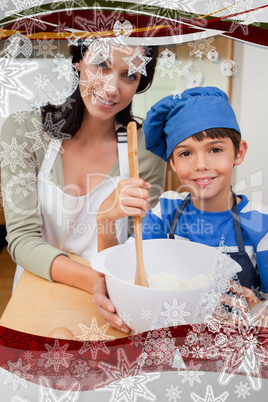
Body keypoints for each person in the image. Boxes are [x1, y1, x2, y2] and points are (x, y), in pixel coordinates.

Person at [0, 39, 166, 302]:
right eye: (101, 65)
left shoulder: (147, 149)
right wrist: (94, 283)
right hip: (37, 293)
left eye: (129, 75)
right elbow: (21, 239)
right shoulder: (24, 132)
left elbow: (140, 246)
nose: (112, 88)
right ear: (78, 60)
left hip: (114, 296)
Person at [94, 86, 268, 333]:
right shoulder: (165, 212)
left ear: (238, 153)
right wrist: (105, 219)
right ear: (172, 163)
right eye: (185, 153)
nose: (200, 164)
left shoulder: (262, 224)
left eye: (215, 149)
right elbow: (121, 270)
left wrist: (256, 310)